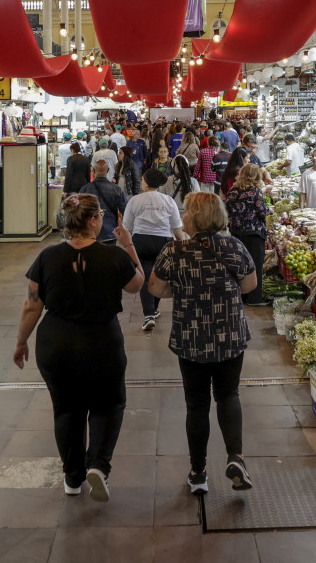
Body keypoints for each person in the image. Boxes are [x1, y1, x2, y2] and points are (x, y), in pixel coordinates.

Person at [15, 193, 146, 502]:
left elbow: (32, 306)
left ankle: (72, 478)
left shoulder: (46, 257)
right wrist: (127, 243)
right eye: (100, 215)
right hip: (101, 341)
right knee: (109, 404)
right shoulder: (113, 256)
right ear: (93, 221)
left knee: (66, 410)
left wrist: (21, 341)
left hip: (56, 343)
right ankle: (98, 465)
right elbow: (138, 283)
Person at [148, 192, 257, 494]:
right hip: (229, 336)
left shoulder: (175, 251)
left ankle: (198, 472)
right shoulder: (234, 246)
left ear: (193, 217)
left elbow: (155, 288)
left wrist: (181, 291)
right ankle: (236, 457)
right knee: (228, 395)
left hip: (191, 338)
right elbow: (249, 284)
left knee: (196, 405)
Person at [121, 169, 189, 331]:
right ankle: (154, 308)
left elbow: (127, 227)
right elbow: (177, 229)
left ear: (146, 182)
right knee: (160, 277)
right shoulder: (168, 201)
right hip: (163, 243)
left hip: (140, 241)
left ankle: (149, 314)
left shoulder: (135, 200)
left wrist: (125, 246)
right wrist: (186, 245)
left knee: (145, 276)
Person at [225, 163, 272, 306]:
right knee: (255, 265)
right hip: (254, 233)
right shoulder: (255, 192)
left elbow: (226, 210)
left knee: (240, 264)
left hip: (236, 233)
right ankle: (255, 298)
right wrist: (271, 211)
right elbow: (263, 211)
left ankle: (242, 295)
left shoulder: (232, 191)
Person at [81, 159, 128, 243]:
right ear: (108, 170)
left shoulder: (85, 189)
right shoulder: (116, 189)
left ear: (93, 170)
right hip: (111, 232)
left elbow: (78, 211)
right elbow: (125, 210)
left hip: (90, 232)